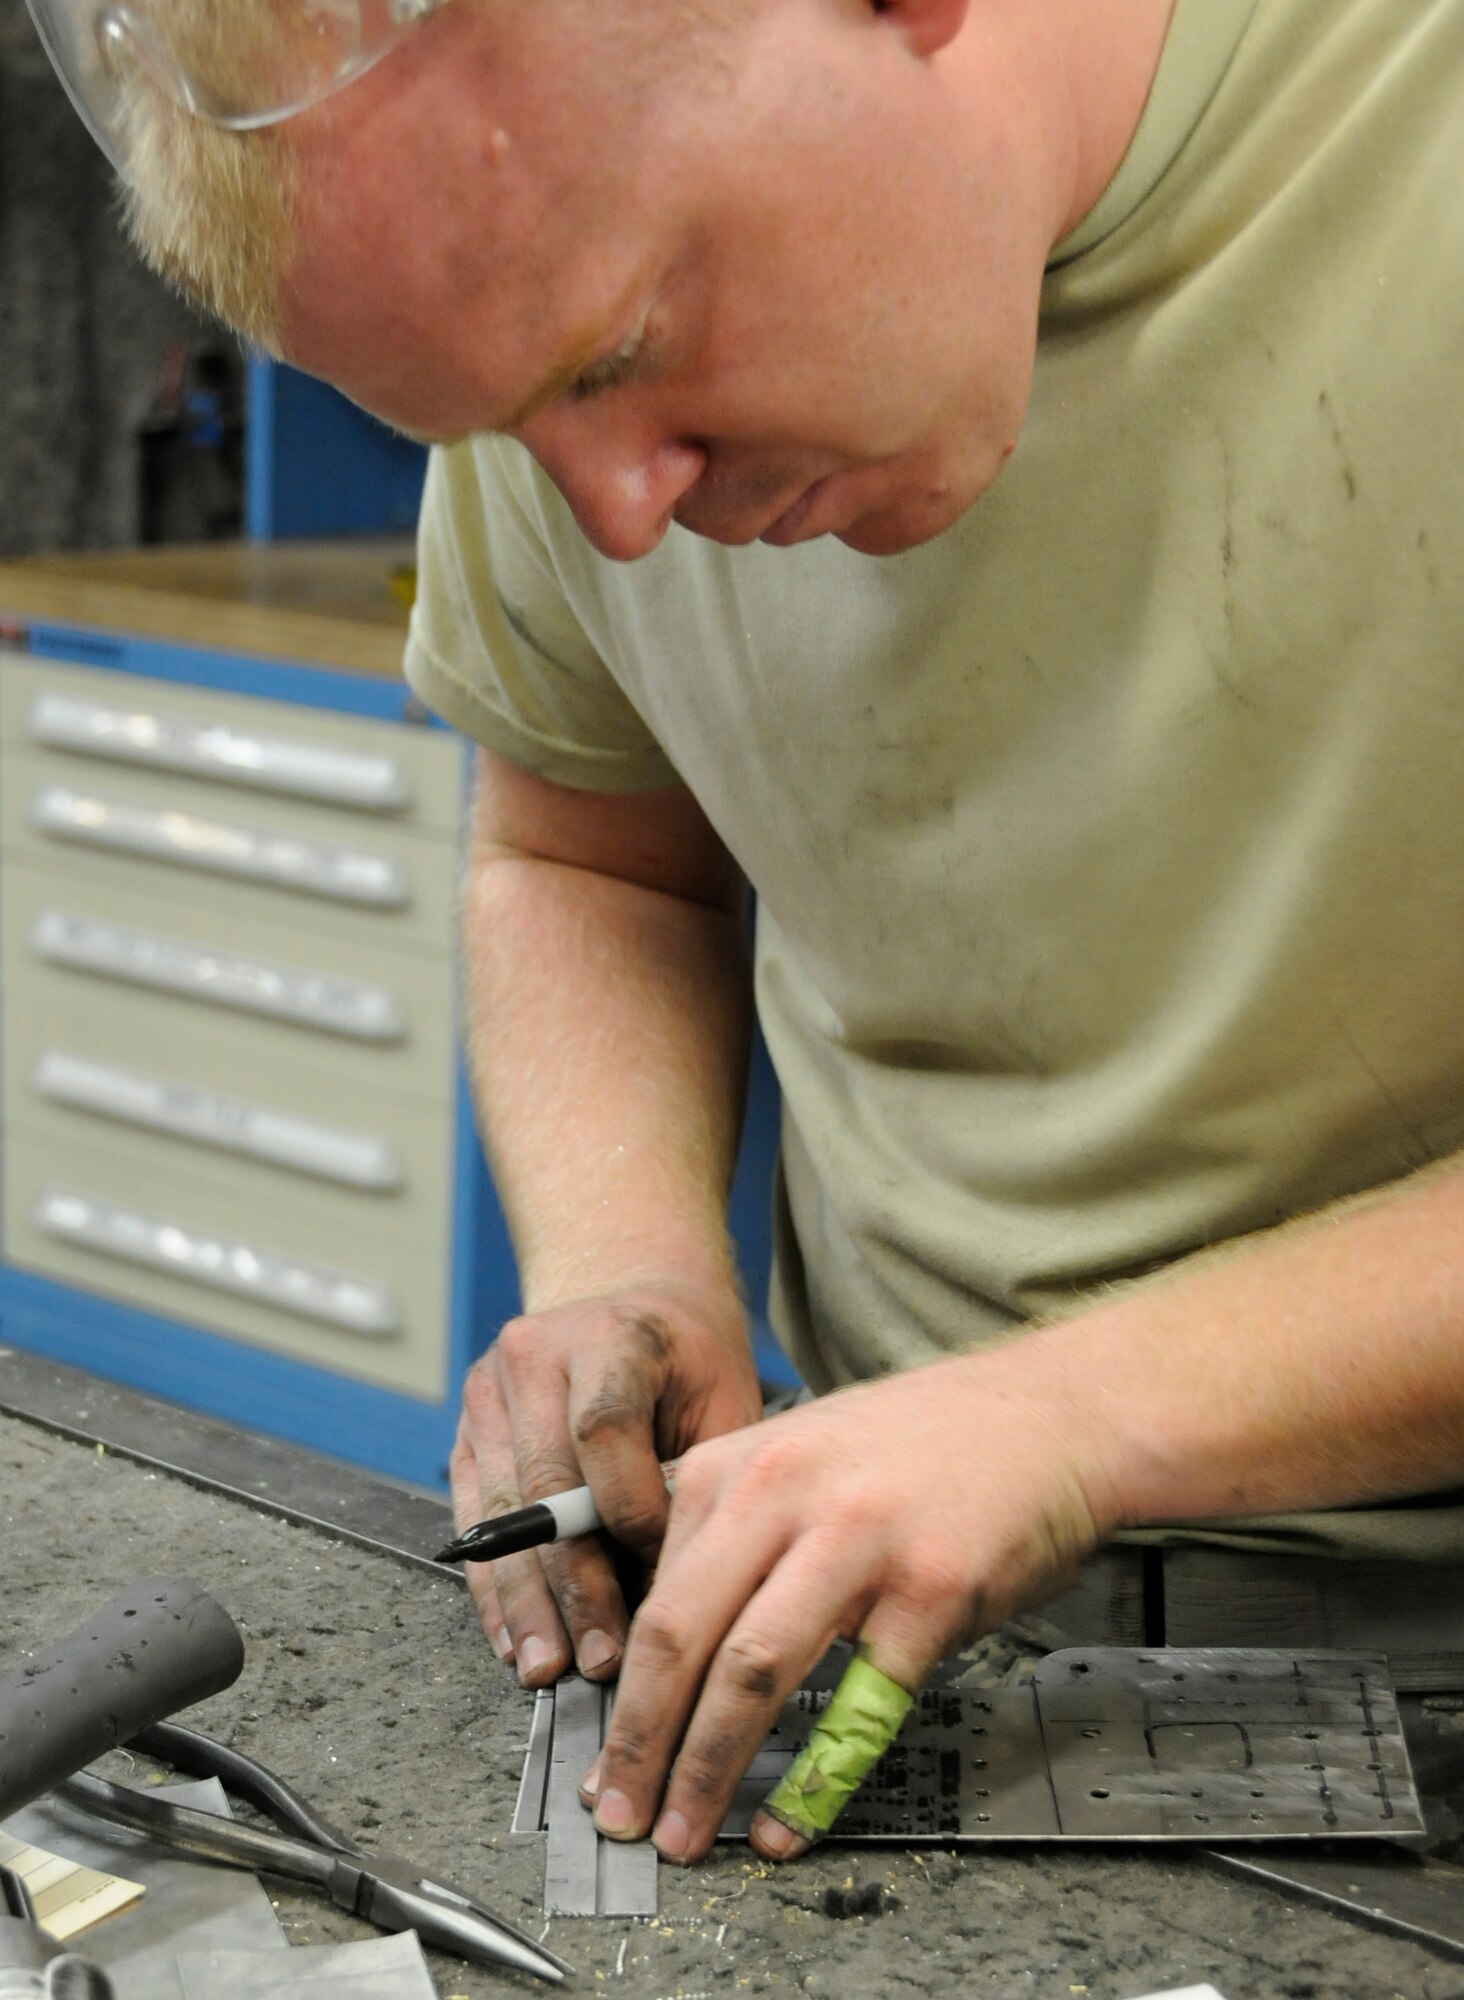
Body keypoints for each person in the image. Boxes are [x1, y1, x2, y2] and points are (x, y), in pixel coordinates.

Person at [33, 0, 1464, 1867]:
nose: (622, 517)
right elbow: (588, 851)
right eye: (503, 422)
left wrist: (1071, 1417)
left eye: (629, 346)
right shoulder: (537, 253)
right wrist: (635, 1265)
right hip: (887, 1641)